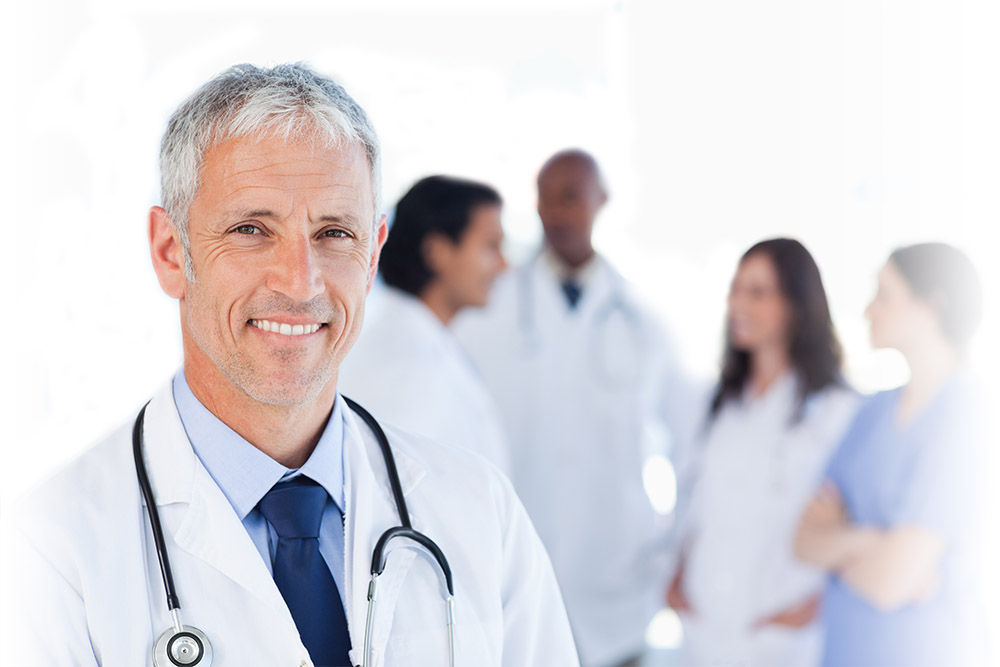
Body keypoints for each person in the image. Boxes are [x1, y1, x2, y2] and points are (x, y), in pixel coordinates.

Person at [0, 63, 580, 667]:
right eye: (251, 229)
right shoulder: (47, 554)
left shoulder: (480, 513)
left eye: (334, 233)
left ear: (374, 253)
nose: (300, 282)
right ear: (171, 252)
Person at [454, 149, 692, 667]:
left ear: (601, 201)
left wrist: (673, 551)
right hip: (512, 575)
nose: (555, 212)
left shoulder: (643, 324)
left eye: (570, 197)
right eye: (544, 198)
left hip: (618, 588)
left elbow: (688, 445)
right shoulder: (489, 309)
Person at [665, 239, 859, 666]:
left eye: (757, 292)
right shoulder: (718, 402)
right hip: (703, 626)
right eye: (735, 290)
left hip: (780, 631)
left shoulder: (836, 411)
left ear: (796, 303)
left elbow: (850, 523)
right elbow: (696, 501)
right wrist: (676, 570)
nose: (738, 304)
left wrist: (818, 601)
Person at [795, 242, 990, 666]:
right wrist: (870, 542)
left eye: (884, 296)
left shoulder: (968, 416)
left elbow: (890, 582)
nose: (868, 311)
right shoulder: (871, 412)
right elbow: (803, 540)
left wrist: (842, 548)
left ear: (931, 306)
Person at [339, 176, 511, 475]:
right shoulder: (405, 360)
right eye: (490, 247)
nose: (504, 265)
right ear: (437, 251)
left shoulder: (423, 339)